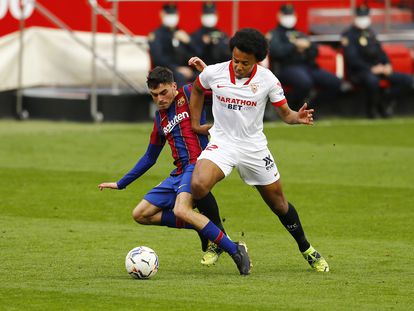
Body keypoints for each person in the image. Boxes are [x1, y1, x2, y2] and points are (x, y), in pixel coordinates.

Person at [189, 28, 329, 272]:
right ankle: (219, 239)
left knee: (279, 204)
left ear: (257, 60)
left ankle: (306, 248)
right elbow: (197, 88)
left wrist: (298, 117)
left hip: (253, 147)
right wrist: (195, 123)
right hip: (222, 142)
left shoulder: (268, 80)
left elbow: (285, 114)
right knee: (199, 185)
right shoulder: (214, 72)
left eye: (245, 62)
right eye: (235, 60)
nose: (238, 66)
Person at [98, 66, 251, 275]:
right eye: (154, 95)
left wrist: (206, 71)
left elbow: (222, 91)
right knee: (140, 214)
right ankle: (203, 227)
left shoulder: (189, 94)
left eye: (163, 93)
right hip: (179, 173)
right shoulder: (159, 118)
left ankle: (235, 250)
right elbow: (150, 157)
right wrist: (121, 183)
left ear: (173, 86)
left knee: (181, 210)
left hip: (198, 165)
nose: (160, 99)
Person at [341, 4, 413, 118]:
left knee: (408, 80)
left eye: (365, 16)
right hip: (360, 72)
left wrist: (387, 65)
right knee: (372, 81)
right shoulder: (349, 35)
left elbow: (381, 52)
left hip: (379, 69)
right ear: (355, 17)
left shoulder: (371, 33)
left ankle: (385, 99)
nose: (363, 19)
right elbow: (352, 59)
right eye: (361, 16)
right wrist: (371, 69)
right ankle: (372, 111)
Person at [267, 4, 341, 111]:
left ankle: (311, 107)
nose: (289, 17)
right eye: (286, 14)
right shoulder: (274, 34)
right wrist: (294, 45)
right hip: (287, 68)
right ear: (279, 15)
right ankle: (291, 110)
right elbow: (276, 52)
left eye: (291, 14)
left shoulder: (300, 34)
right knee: (304, 82)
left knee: (335, 82)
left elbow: (314, 51)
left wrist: (307, 46)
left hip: (308, 66)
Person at [148, 3, 198, 88]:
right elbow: (158, 58)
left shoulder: (181, 34)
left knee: (201, 76)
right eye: (169, 14)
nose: (172, 17)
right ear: (162, 14)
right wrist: (177, 68)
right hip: (164, 71)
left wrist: (189, 42)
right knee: (179, 76)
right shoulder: (156, 35)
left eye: (174, 14)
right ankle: (180, 101)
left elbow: (197, 53)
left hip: (183, 69)